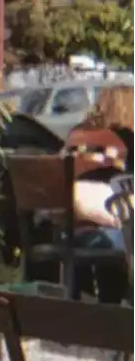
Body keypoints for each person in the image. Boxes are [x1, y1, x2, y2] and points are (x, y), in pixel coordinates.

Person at [61, 85, 135, 302]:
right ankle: (114, 309)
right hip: (105, 229)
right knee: (120, 238)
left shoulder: (76, 134)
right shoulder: (124, 138)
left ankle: (106, 309)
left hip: (67, 230)